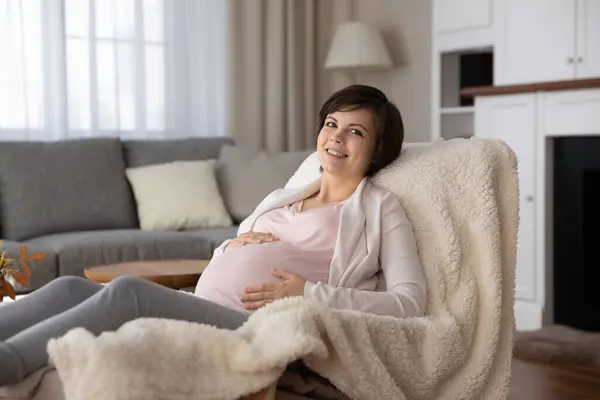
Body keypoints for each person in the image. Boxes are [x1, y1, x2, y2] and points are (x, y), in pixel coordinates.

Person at [0, 84, 427, 385]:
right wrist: (231, 246)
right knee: (71, 288)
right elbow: (234, 249)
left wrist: (310, 293)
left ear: (379, 149)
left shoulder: (379, 209)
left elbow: (409, 302)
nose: (336, 137)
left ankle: (7, 365)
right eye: (332, 124)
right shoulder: (286, 195)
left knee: (127, 292)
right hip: (205, 305)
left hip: (253, 329)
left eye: (356, 131)